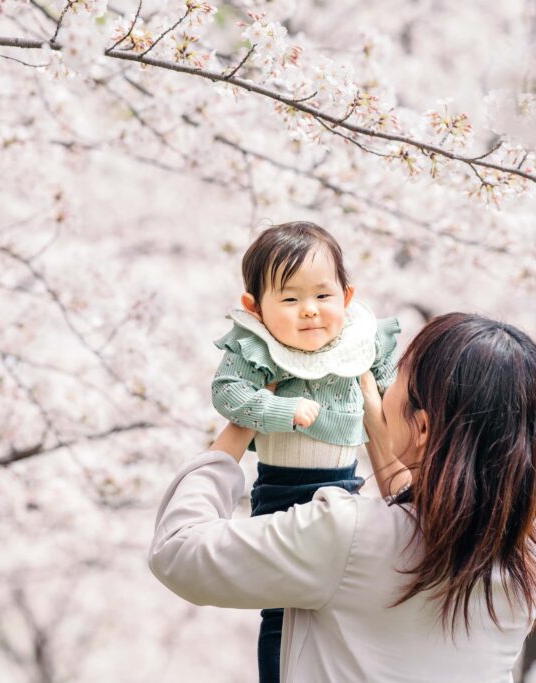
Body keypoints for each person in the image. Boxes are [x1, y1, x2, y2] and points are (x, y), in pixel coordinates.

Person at [150, 312, 536, 682]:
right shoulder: (532, 554)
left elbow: (179, 551)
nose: (389, 385)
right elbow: (425, 522)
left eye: (399, 375)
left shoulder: (349, 535)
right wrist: (381, 438)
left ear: (423, 428)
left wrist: (249, 414)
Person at [210, 221, 401, 681]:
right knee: (281, 608)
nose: (310, 311)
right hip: (279, 493)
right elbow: (227, 394)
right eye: (290, 299)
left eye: (322, 296)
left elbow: (393, 397)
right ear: (254, 308)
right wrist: (278, 408)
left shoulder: (362, 339)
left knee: (340, 601)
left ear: (347, 298)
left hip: (346, 490)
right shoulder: (255, 345)